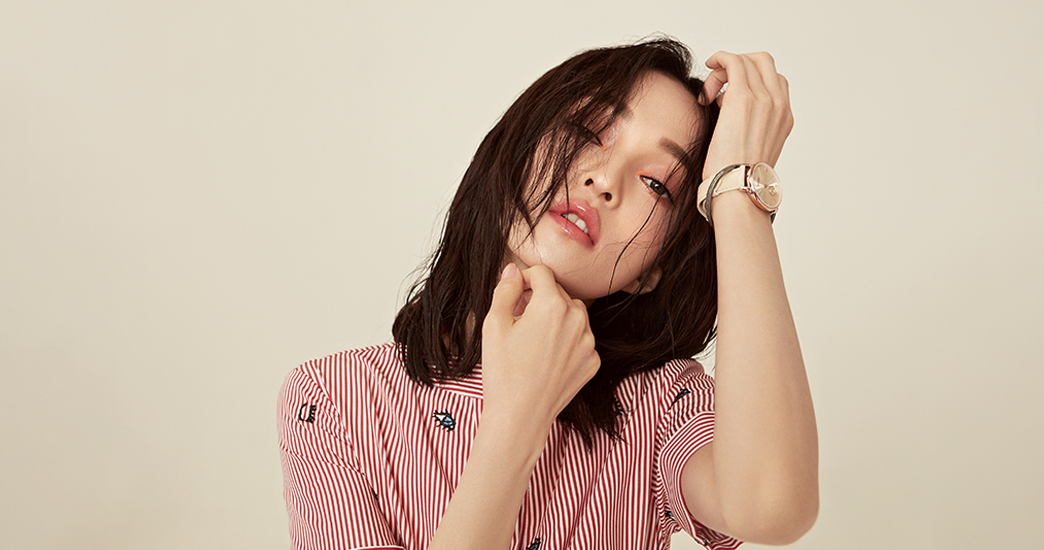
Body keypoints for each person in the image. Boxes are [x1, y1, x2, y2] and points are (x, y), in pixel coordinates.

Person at [279, 37, 817, 550]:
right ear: (518, 146)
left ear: (651, 271)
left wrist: (738, 187)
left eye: (657, 184)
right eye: (588, 131)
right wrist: (517, 420)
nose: (604, 179)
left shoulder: (658, 407)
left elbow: (772, 506)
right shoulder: (335, 399)